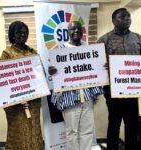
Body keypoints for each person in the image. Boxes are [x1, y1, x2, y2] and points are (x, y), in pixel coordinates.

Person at [49, 21, 104, 150]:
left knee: (87, 131)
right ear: (67, 32)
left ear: (82, 31)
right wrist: (52, 71)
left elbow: (95, 68)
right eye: (73, 29)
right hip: (69, 98)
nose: (76, 31)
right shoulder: (59, 50)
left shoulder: (89, 49)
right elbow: (53, 73)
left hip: (87, 96)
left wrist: (102, 66)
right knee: (72, 132)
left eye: (79, 29)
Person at [98, 8, 141, 150]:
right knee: (113, 124)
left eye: (129, 16)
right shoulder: (104, 40)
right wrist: (104, 66)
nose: (127, 18)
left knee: (131, 125)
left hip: (133, 92)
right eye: (123, 16)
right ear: (113, 21)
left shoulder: (138, 38)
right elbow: (95, 65)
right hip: (112, 92)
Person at [0, 21, 43, 150]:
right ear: (12, 34)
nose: (22, 35)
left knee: (34, 131)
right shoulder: (7, 53)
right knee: (19, 135)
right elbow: (2, 80)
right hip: (16, 105)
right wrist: (16, 99)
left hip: (33, 102)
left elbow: (40, 75)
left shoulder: (33, 52)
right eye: (19, 32)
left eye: (25, 32)